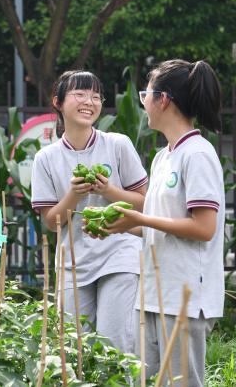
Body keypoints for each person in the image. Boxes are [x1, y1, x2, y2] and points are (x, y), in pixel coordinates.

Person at [93, 59, 225, 386]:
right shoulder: (164, 156)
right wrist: (122, 225)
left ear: (163, 100)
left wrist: (138, 218)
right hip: (152, 293)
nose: (144, 104)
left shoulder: (197, 154)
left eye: (145, 95)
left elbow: (204, 228)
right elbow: (157, 223)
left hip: (185, 296)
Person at [30, 70, 148, 353]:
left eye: (96, 96)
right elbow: (50, 222)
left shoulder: (118, 144)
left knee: (114, 344)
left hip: (121, 254)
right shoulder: (45, 158)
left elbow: (145, 203)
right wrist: (74, 194)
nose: (89, 102)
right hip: (73, 261)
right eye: (80, 94)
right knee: (73, 348)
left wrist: (108, 191)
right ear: (58, 102)